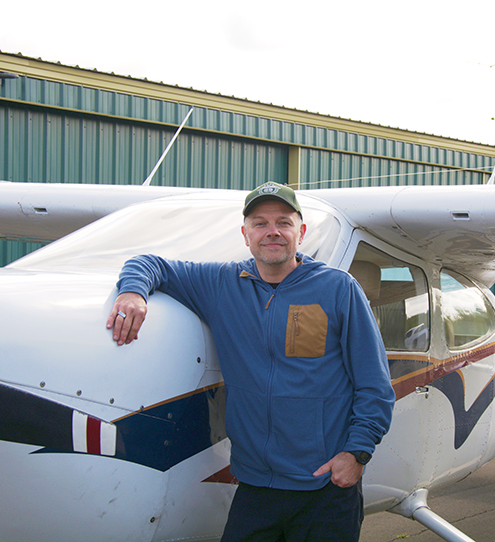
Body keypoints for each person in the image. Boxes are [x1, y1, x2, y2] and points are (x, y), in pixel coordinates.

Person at [106, 182, 395, 542]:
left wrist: (357, 453)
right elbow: (149, 263)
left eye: (283, 222)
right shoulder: (220, 283)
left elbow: (375, 385)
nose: (272, 231)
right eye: (259, 223)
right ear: (245, 234)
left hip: (326, 486)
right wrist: (132, 291)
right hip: (256, 486)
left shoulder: (338, 288)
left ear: (300, 232)